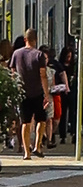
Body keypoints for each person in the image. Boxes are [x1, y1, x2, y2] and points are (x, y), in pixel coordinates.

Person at [9, 29, 50, 160]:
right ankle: (37, 146)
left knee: (25, 123)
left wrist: (15, 89)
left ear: (25, 39)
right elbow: (43, 75)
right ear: (36, 40)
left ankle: (26, 152)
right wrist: (46, 93)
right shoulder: (39, 55)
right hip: (37, 92)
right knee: (42, 120)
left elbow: (13, 74)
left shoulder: (16, 54)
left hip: (23, 93)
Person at [58, 46, 76, 144]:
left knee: (73, 113)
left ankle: (73, 133)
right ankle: (62, 135)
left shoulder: (74, 66)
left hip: (72, 91)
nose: (68, 59)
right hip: (62, 92)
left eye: (70, 57)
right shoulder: (60, 66)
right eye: (67, 56)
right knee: (62, 114)